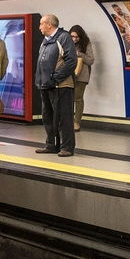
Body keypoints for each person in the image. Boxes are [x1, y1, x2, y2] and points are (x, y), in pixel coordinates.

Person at [34, 14, 78, 157]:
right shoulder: (46, 41)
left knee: (63, 117)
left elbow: (71, 61)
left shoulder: (63, 38)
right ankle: (51, 144)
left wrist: (55, 78)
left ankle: (67, 147)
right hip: (46, 85)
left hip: (61, 85)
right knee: (48, 117)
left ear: (49, 25)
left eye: (41, 24)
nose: (39, 27)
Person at [70, 24, 94, 132]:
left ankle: (77, 122)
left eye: (76, 37)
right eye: (72, 36)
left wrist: (79, 54)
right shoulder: (67, 43)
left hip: (82, 75)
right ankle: (68, 121)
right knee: (68, 98)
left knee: (78, 98)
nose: (74, 39)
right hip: (68, 74)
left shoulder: (86, 44)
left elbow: (91, 60)